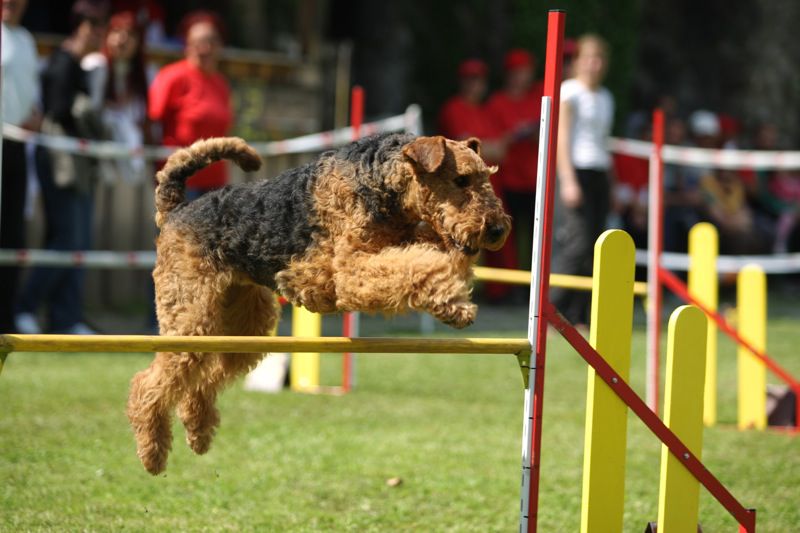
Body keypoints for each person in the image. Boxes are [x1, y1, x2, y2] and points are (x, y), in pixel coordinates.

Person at [15, 0, 109, 335]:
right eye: (94, 27)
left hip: (77, 165)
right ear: (81, 27)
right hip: (58, 163)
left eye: (102, 28)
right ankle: (25, 308)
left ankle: (66, 318)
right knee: (66, 239)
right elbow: (57, 110)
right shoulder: (61, 61)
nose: (99, 35)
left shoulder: (83, 66)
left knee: (79, 242)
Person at [551, 34, 615, 326]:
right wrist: (568, 180)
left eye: (598, 59)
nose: (593, 64)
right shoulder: (570, 92)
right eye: (588, 58)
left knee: (594, 246)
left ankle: (580, 316)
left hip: (599, 172)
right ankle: (552, 312)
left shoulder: (605, 97)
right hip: (576, 171)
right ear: (578, 62)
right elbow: (562, 138)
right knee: (574, 245)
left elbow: (603, 142)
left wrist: (611, 183)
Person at [148, 10, 232, 199]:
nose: (206, 48)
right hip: (183, 182)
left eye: (212, 41)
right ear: (187, 45)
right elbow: (150, 121)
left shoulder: (221, 83)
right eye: (198, 42)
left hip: (215, 183)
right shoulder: (172, 77)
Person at [483, 49, 543, 301]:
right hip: (508, 179)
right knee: (509, 237)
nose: (520, 77)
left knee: (536, 237)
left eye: (524, 71)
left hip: (536, 179)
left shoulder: (538, 95)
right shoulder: (497, 102)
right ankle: (509, 289)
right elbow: (495, 144)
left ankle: (535, 289)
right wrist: (512, 137)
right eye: (515, 72)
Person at [1, 0, 40, 333]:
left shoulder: (26, 39)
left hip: (17, 147)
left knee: (13, 233)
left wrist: (34, 116)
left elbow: (31, 93)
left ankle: (7, 316)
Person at [83, 9, 149, 183]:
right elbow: (90, 112)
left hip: (126, 166)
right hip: (94, 156)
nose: (122, 39)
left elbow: (140, 119)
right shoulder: (95, 65)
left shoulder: (141, 76)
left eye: (130, 35)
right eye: (117, 32)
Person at [438, 58, 505, 162]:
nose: (472, 85)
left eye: (477, 79)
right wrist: (488, 147)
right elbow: (465, 147)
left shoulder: (487, 111)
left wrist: (483, 148)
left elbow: (501, 152)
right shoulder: (453, 108)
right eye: (468, 79)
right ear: (461, 82)